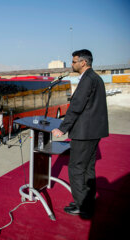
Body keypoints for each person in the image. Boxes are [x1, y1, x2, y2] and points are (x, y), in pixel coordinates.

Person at [52, 49, 109, 218]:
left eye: (74, 61)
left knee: (76, 168)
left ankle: (82, 205)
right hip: (94, 131)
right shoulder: (96, 78)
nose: (72, 64)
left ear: (83, 62)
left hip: (84, 133)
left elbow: (76, 106)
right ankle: (87, 201)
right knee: (88, 169)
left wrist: (62, 128)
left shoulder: (87, 79)